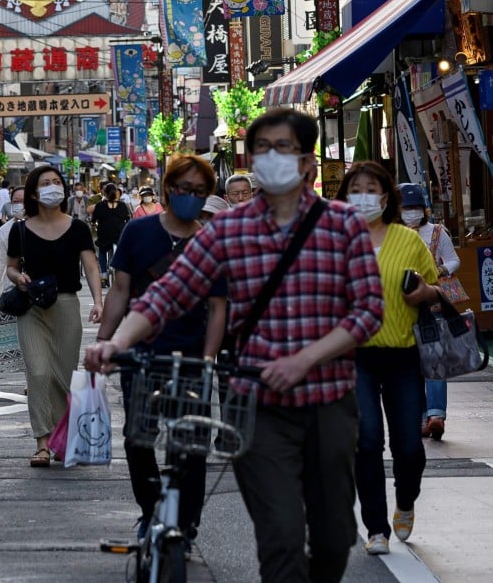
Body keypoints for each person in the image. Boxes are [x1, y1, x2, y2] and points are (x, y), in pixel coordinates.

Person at [85, 109, 384, 583]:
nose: (269, 158)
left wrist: (304, 359)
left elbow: (368, 312)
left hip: (329, 402)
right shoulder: (228, 230)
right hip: (257, 406)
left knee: (334, 536)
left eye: (281, 148)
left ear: (307, 162)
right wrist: (114, 342)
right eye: (260, 148)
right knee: (281, 538)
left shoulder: (343, 225)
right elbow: (166, 293)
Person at [97, 154, 227, 544]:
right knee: (138, 438)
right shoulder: (138, 233)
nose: (190, 196)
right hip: (140, 353)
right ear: (168, 188)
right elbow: (119, 293)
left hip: (191, 353)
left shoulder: (210, 241)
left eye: (199, 191)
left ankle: (186, 523)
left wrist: (208, 360)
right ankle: (149, 510)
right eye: (184, 188)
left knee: (192, 445)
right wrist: (105, 343)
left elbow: (218, 308)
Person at [336, 163, 438, 556]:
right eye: (355, 188)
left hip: (403, 355)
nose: (363, 195)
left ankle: (406, 500)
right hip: (354, 355)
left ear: (385, 196)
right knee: (367, 441)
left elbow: (441, 288)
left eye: (371, 188)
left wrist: (425, 293)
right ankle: (376, 528)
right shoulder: (337, 241)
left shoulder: (408, 239)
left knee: (410, 446)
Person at [6, 166, 103, 467]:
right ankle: (42, 443)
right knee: (37, 373)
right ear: (34, 193)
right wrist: (17, 277)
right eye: (45, 183)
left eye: (56, 182)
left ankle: (64, 440)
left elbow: (90, 267)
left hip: (65, 305)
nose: (52, 187)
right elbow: (10, 267)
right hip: (32, 307)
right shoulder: (20, 228)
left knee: (63, 376)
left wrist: (99, 301)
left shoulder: (78, 228)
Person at [399, 182, 459, 441]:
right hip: (403, 309)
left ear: (423, 208)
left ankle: (436, 416)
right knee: (412, 366)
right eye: (405, 207)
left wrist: (442, 270)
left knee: (435, 360)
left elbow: (453, 259)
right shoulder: (392, 234)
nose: (411, 212)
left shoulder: (436, 232)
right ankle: (423, 417)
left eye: (414, 207)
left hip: (433, 303)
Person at [0, 186, 27, 373]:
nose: (19, 205)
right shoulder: (5, 230)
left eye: (23, 201)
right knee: (19, 339)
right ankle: (30, 376)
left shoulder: (40, 227)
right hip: (13, 291)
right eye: (16, 201)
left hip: (37, 291)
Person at [88, 182, 131, 286]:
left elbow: (93, 220)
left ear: (105, 193)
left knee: (102, 251)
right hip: (119, 235)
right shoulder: (122, 205)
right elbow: (128, 218)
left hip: (104, 234)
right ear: (116, 193)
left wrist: (93, 224)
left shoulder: (100, 206)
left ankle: (103, 274)